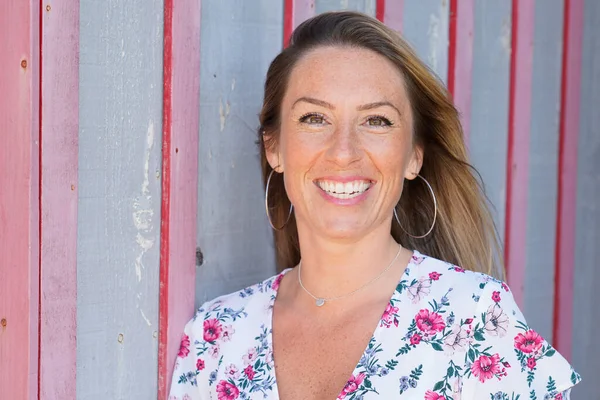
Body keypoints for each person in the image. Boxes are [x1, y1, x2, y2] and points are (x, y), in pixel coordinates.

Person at [168, 11, 580, 400]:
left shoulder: (474, 319)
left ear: (414, 156)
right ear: (274, 147)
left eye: (376, 121)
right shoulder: (216, 335)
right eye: (315, 118)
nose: (344, 152)